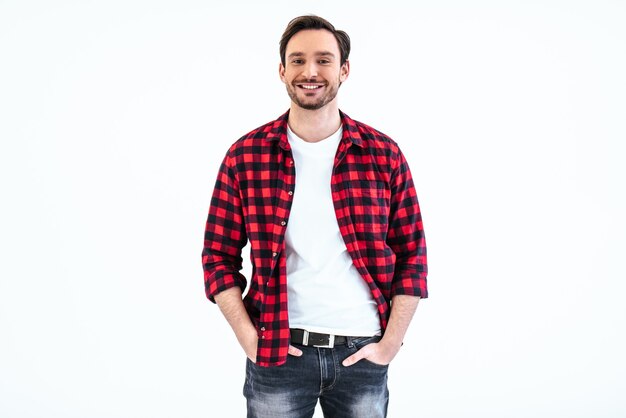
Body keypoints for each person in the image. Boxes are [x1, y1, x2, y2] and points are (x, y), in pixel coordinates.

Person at [202, 15, 428, 418]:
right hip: (279, 354)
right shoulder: (246, 155)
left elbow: (412, 255)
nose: (310, 71)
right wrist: (246, 335)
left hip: (363, 353)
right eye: (298, 60)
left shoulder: (383, 154)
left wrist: (391, 342)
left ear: (344, 69)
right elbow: (217, 255)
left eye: (324, 60)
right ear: (281, 70)